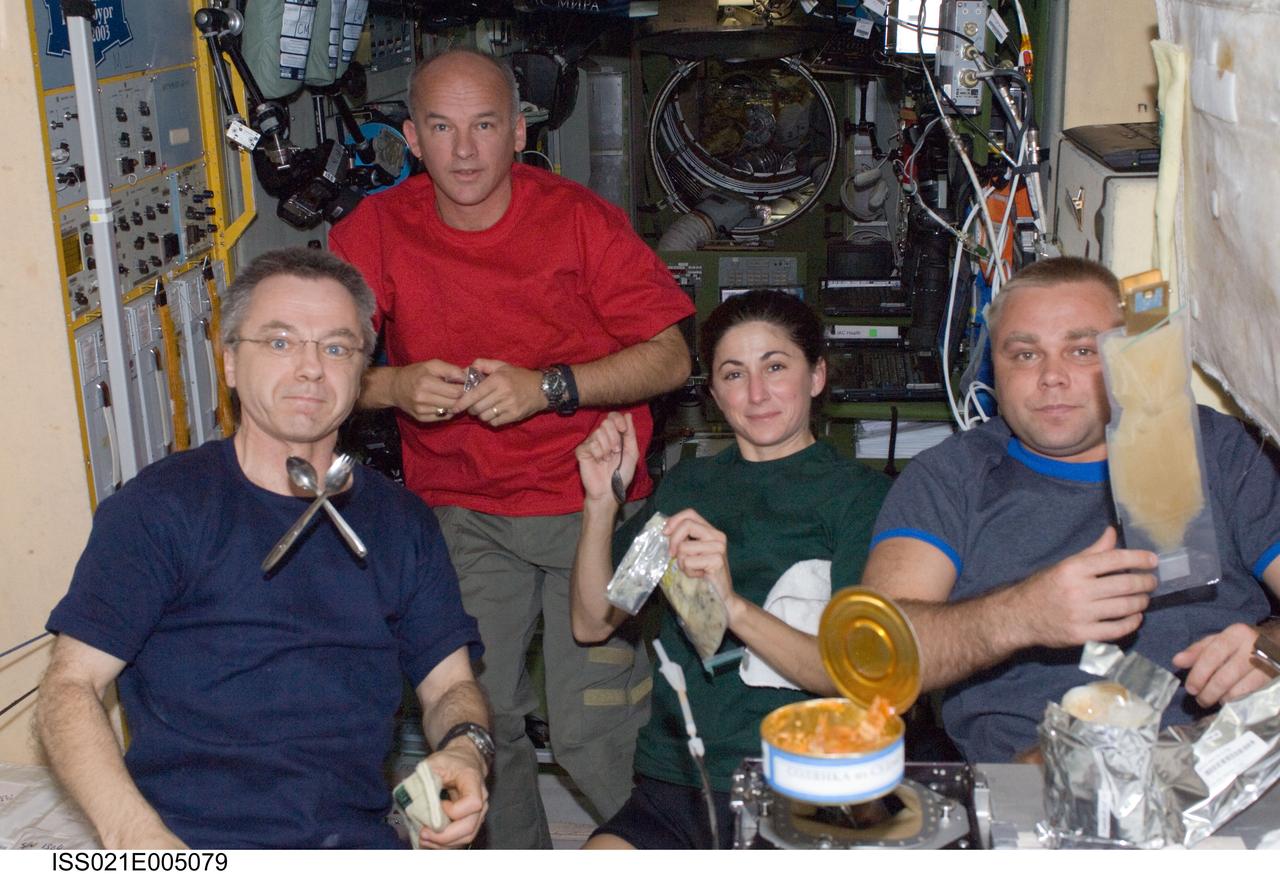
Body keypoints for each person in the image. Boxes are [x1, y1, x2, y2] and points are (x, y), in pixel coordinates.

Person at [328, 48, 694, 848]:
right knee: (471, 723)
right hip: (461, 510)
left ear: (520, 133)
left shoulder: (579, 220)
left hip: (604, 507)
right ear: (412, 139)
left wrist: (551, 387)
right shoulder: (375, 231)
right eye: (442, 128)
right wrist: (391, 387)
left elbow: (672, 356)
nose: (465, 151)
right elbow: (306, 369)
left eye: (485, 126)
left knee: (598, 722)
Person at [36, 248, 491, 849]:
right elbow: (68, 689)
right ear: (228, 362)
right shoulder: (160, 509)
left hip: (353, 839)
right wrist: (139, 840)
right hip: (187, 840)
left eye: (336, 348)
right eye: (280, 343)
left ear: (361, 374)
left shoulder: (402, 522)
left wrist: (466, 749)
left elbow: (449, 686)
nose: (310, 369)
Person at [860, 257, 1280, 763]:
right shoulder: (951, 478)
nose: (1052, 377)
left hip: (1228, 763)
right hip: (1038, 779)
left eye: (1082, 350)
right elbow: (875, 656)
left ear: (1126, 355)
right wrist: (1021, 616)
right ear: (995, 368)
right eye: (1025, 354)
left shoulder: (1216, 449)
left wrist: (1269, 650)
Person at [571, 289, 891, 849]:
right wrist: (601, 503)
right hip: (678, 779)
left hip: (797, 782)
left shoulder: (859, 499)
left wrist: (734, 605)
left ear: (816, 376)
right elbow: (594, 621)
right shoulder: (691, 487)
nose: (758, 393)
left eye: (775, 366)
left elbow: (855, 679)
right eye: (734, 374)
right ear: (715, 394)